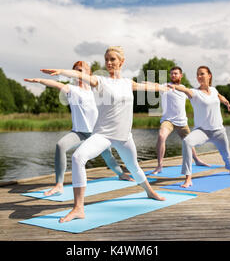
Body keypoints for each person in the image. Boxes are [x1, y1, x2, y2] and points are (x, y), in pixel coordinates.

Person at [41, 46, 166, 223]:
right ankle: (78, 208)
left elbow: (144, 85)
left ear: (122, 62)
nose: (108, 62)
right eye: (106, 59)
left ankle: (150, 191)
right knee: (78, 158)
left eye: (113, 59)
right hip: (104, 134)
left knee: (134, 167)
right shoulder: (100, 80)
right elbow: (81, 76)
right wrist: (62, 72)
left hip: (124, 136)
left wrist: (162, 88)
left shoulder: (127, 83)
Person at [24, 61, 132, 197]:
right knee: (60, 146)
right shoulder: (71, 89)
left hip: (97, 133)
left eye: (81, 70)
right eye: (76, 70)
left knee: (108, 156)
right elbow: (57, 84)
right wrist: (39, 80)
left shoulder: (96, 91)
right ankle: (58, 185)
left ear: (88, 73)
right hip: (79, 133)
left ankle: (121, 174)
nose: (78, 73)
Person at [168, 65, 230, 188]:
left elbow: (219, 96)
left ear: (209, 75)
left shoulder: (214, 90)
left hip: (218, 130)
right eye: (197, 74)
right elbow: (185, 90)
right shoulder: (195, 93)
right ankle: (188, 178)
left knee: (226, 152)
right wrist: (174, 86)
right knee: (187, 142)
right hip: (202, 131)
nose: (199, 76)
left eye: (202, 74)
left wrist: (225, 101)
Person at [149, 66, 210, 175]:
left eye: (176, 73)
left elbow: (197, 96)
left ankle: (196, 160)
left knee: (189, 141)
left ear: (180, 76)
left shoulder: (183, 89)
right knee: (161, 136)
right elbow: (156, 86)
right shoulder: (165, 87)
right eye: (172, 73)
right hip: (168, 121)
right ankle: (159, 165)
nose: (173, 75)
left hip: (182, 121)